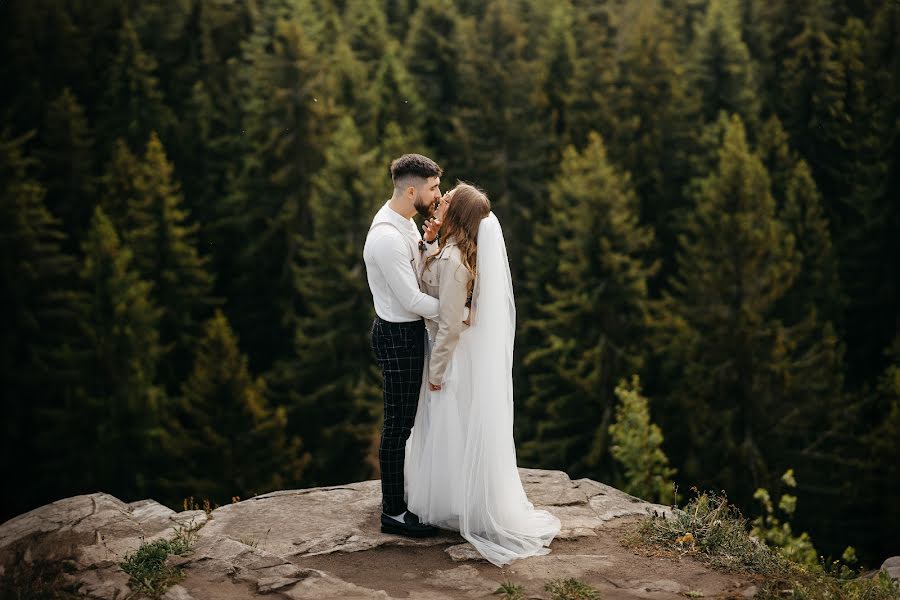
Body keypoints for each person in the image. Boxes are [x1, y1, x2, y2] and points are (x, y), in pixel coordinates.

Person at [405, 183, 561, 566]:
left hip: (452, 358)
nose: (439, 204)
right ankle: (457, 499)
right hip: (453, 352)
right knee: (451, 426)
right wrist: (427, 244)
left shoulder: (457, 262)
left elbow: (450, 326)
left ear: (458, 217)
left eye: (446, 202)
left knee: (451, 425)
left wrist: (437, 371)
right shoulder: (453, 251)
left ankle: (460, 503)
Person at [363, 153, 444, 538]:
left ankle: (405, 495)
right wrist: (460, 309)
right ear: (412, 190)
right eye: (433, 188)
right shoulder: (385, 238)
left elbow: (416, 271)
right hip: (398, 337)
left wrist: (428, 244)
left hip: (409, 334)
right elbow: (411, 300)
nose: (438, 195)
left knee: (408, 422)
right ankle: (393, 512)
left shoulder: (408, 225)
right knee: (398, 426)